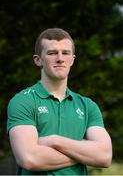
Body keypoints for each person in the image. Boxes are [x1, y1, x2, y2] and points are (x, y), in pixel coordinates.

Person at [7, 28, 112, 175]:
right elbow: (29, 159)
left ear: (72, 60)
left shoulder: (88, 106)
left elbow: (105, 156)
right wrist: (85, 154)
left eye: (66, 53)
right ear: (38, 60)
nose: (60, 58)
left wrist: (54, 140)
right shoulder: (23, 101)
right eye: (52, 53)